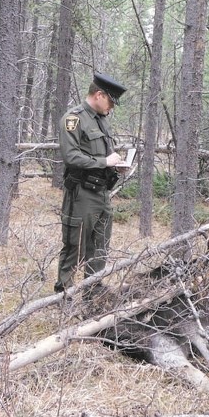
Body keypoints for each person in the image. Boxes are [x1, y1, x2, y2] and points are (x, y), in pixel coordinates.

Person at [55, 72, 128, 296]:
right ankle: (63, 294)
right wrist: (104, 161)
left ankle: (93, 291)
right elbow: (71, 157)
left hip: (102, 192)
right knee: (74, 245)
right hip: (82, 193)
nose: (112, 108)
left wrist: (115, 164)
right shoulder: (73, 119)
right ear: (99, 95)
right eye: (111, 102)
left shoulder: (101, 119)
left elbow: (102, 153)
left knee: (100, 246)